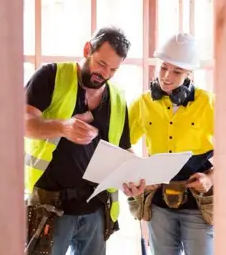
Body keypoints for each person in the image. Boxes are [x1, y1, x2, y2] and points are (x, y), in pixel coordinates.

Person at [24, 26, 145, 255]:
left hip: (96, 208)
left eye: (113, 69)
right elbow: (22, 122)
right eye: (101, 64)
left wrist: (132, 176)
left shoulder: (117, 98)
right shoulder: (51, 76)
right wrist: (62, 127)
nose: (105, 74)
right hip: (50, 206)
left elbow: (124, 149)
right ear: (87, 49)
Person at [127, 33, 215, 255]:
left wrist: (210, 177)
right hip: (158, 202)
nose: (166, 76)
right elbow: (122, 145)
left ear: (189, 74)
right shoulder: (142, 103)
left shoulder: (208, 103)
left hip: (198, 203)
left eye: (177, 71)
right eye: (163, 67)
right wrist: (135, 173)